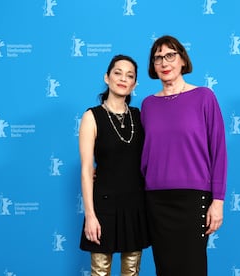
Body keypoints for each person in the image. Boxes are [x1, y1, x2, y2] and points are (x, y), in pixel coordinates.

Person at [140, 35, 228, 276]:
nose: (164, 62)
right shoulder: (147, 105)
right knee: (165, 269)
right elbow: (139, 152)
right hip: (156, 200)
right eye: (158, 58)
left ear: (182, 60)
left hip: (193, 199)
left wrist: (217, 201)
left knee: (192, 268)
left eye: (170, 55)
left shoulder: (204, 97)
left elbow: (218, 150)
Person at [79, 54, 150, 276]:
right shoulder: (92, 116)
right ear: (107, 78)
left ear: (135, 84)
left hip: (135, 205)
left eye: (129, 75)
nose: (123, 78)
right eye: (117, 73)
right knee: (100, 271)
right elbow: (86, 170)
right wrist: (90, 215)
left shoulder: (140, 116)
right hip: (103, 206)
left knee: (132, 271)